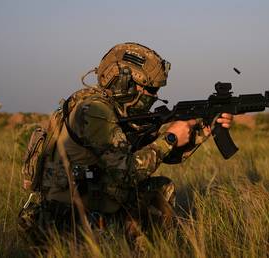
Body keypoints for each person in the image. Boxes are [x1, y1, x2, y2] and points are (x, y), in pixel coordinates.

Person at [20, 42, 233, 247]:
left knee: (159, 188)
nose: (154, 95)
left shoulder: (113, 110)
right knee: (154, 192)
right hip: (70, 219)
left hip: (90, 200)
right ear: (124, 82)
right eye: (149, 88)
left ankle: (147, 249)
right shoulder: (95, 111)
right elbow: (127, 172)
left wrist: (202, 130)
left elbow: (159, 155)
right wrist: (169, 138)